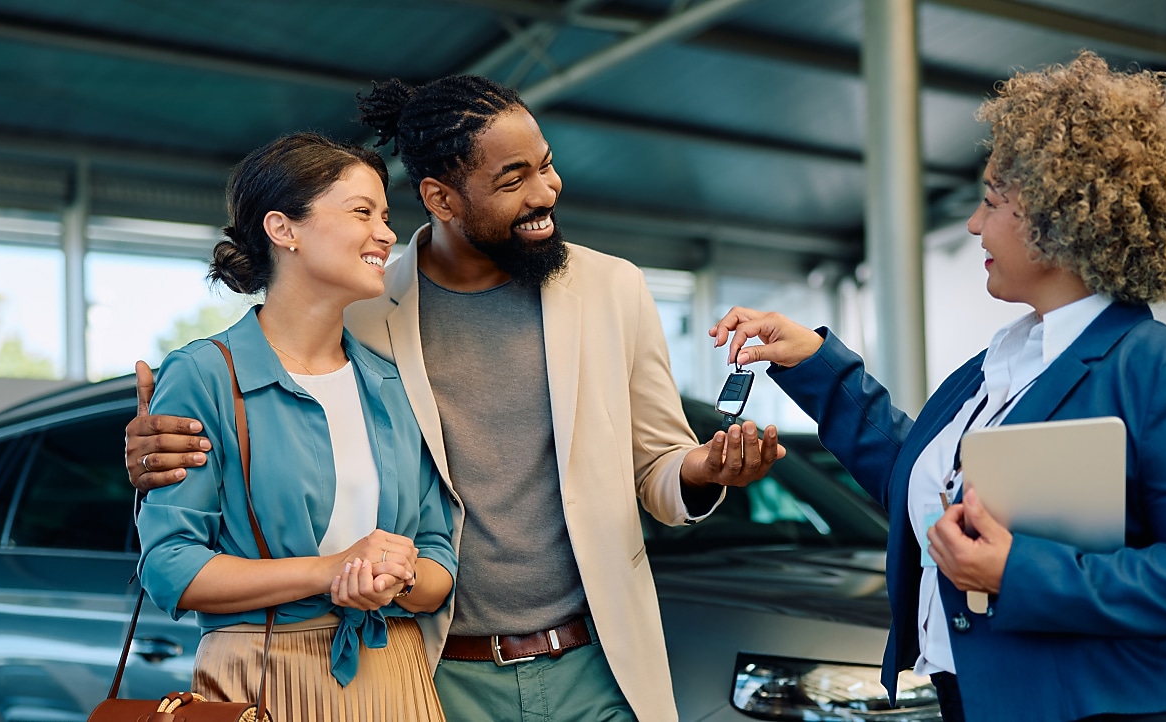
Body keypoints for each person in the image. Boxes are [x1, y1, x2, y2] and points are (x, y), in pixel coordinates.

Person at [127, 75, 783, 722]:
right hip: (435, 675)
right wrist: (150, 447)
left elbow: (656, 467)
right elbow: (269, 391)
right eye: (512, 179)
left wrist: (700, 471)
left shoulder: (612, 290)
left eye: (546, 167)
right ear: (442, 198)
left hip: (597, 665)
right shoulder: (365, 310)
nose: (546, 192)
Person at [711, 51, 1166, 722]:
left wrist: (1016, 574)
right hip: (975, 702)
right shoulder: (999, 363)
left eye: (992, 203)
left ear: (1060, 222)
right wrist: (814, 363)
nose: (973, 224)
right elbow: (928, 493)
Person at [136, 132, 457, 721]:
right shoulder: (205, 375)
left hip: (397, 679)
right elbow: (170, 567)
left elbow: (438, 557)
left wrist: (396, 578)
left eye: (386, 215)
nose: (386, 234)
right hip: (259, 680)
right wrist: (330, 571)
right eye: (362, 212)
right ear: (284, 229)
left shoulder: (391, 384)